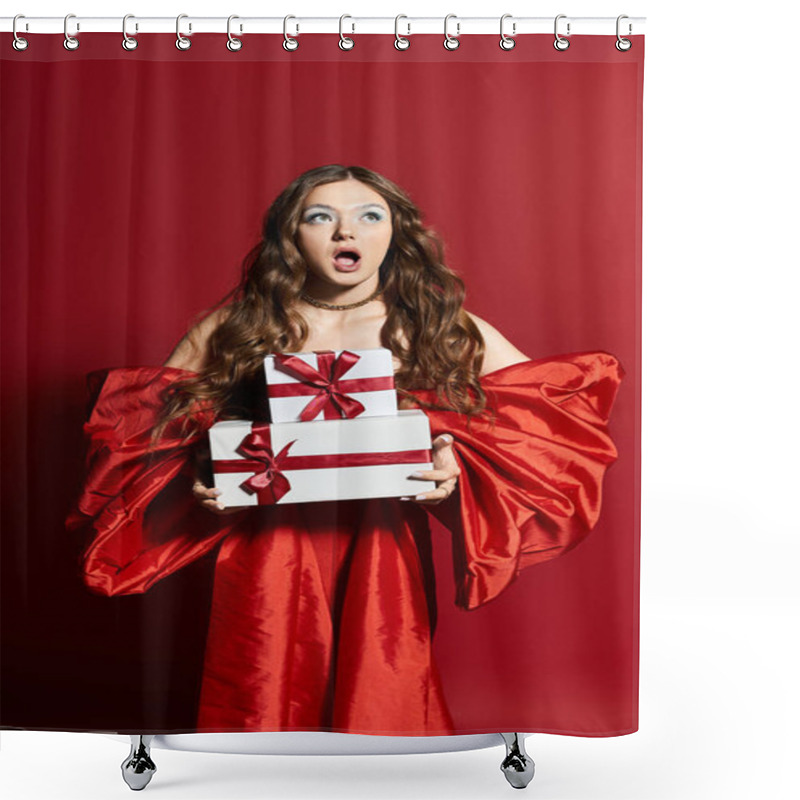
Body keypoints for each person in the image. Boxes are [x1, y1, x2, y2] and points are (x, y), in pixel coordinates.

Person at [66, 164, 625, 735]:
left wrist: (454, 461)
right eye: (320, 217)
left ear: (394, 233)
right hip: (266, 549)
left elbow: (545, 415)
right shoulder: (236, 325)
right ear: (292, 236)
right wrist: (203, 471)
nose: (345, 233)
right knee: (259, 684)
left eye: (368, 216)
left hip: (381, 546)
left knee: (382, 689)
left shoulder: (436, 325)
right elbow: (144, 433)